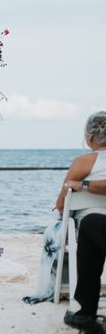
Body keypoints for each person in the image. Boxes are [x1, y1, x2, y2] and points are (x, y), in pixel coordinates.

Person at [23, 111, 106, 305]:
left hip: (84, 232)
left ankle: (55, 289)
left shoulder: (83, 163)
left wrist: (79, 189)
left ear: (90, 138)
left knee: (54, 231)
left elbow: (61, 204)